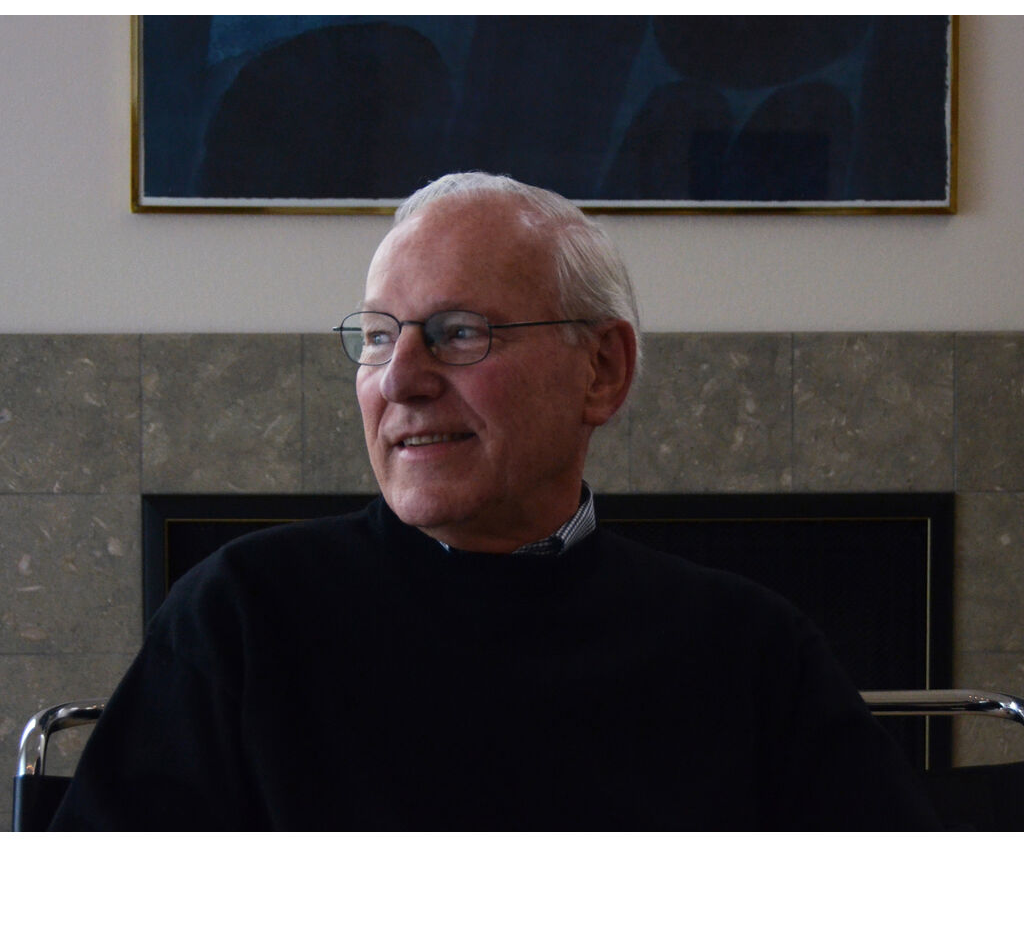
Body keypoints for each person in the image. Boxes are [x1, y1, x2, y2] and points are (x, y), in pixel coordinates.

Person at [51, 172, 937, 830]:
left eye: (459, 333)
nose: (400, 379)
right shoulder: (243, 613)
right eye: (377, 337)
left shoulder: (747, 648)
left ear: (603, 370)